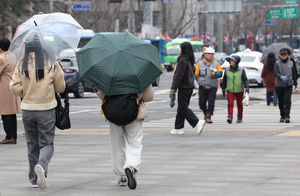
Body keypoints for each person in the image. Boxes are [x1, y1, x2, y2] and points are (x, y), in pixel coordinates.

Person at [10, 35, 66, 189]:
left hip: (27, 109)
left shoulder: (21, 63)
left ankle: (34, 179)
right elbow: (61, 88)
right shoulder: (52, 63)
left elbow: (14, 87)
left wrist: (25, 93)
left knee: (32, 144)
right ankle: (41, 166)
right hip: (46, 108)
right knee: (47, 144)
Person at [98, 85, 154, 190]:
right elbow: (149, 97)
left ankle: (122, 176)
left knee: (117, 144)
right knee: (134, 142)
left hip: (114, 113)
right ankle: (131, 166)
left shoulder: (109, 72)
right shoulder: (139, 72)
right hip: (134, 112)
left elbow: (101, 96)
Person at [169, 42, 205, 135]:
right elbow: (193, 71)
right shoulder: (190, 60)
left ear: (184, 49)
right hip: (189, 87)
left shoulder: (182, 60)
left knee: (183, 108)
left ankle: (197, 122)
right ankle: (178, 128)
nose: (179, 50)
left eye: (180, 48)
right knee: (181, 108)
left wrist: (173, 89)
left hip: (184, 87)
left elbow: (178, 76)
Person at [0, 37, 22, 144]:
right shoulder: (12, 56)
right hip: (12, 87)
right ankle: (14, 136)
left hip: (4, 89)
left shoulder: (2, 59)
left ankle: (9, 136)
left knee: (5, 113)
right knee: (12, 113)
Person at [195, 47, 223, 123]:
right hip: (202, 86)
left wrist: (215, 74)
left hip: (212, 86)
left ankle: (209, 116)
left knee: (211, 102)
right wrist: (194, 84)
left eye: (212, 54)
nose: (210, 56)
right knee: (201, 103)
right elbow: (196, 75)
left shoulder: (217, 64)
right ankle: (205, 112)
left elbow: (220, 73)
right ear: (205, 55)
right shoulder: (199, 64)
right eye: (209, 54)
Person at [221, 55, 249, 123]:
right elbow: (224, 80)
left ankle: (239, 116)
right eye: (230, 60)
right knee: (230, 103)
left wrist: (247, 88)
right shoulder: (227, 69)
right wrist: (223, 89)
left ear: (236, 62)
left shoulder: (241, 70)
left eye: (232, 60)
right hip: (230, 89)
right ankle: (230, 116)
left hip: (239, 89)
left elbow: (245, 80)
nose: (230, 62)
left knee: (239, 104)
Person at [274, 48, 298, 123]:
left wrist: (296, 84)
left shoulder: (291, 63)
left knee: (287, 100)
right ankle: (282, 115)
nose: (283, 56)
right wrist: (280, 76)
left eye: (285, 54)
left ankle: (287, 116)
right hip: (279, 85)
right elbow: (276, 72)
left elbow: (294, 73)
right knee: (280, 101)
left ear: (287, 55)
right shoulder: (277, 63)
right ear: (280, 55)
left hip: (288, 85)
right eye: (282, 55)